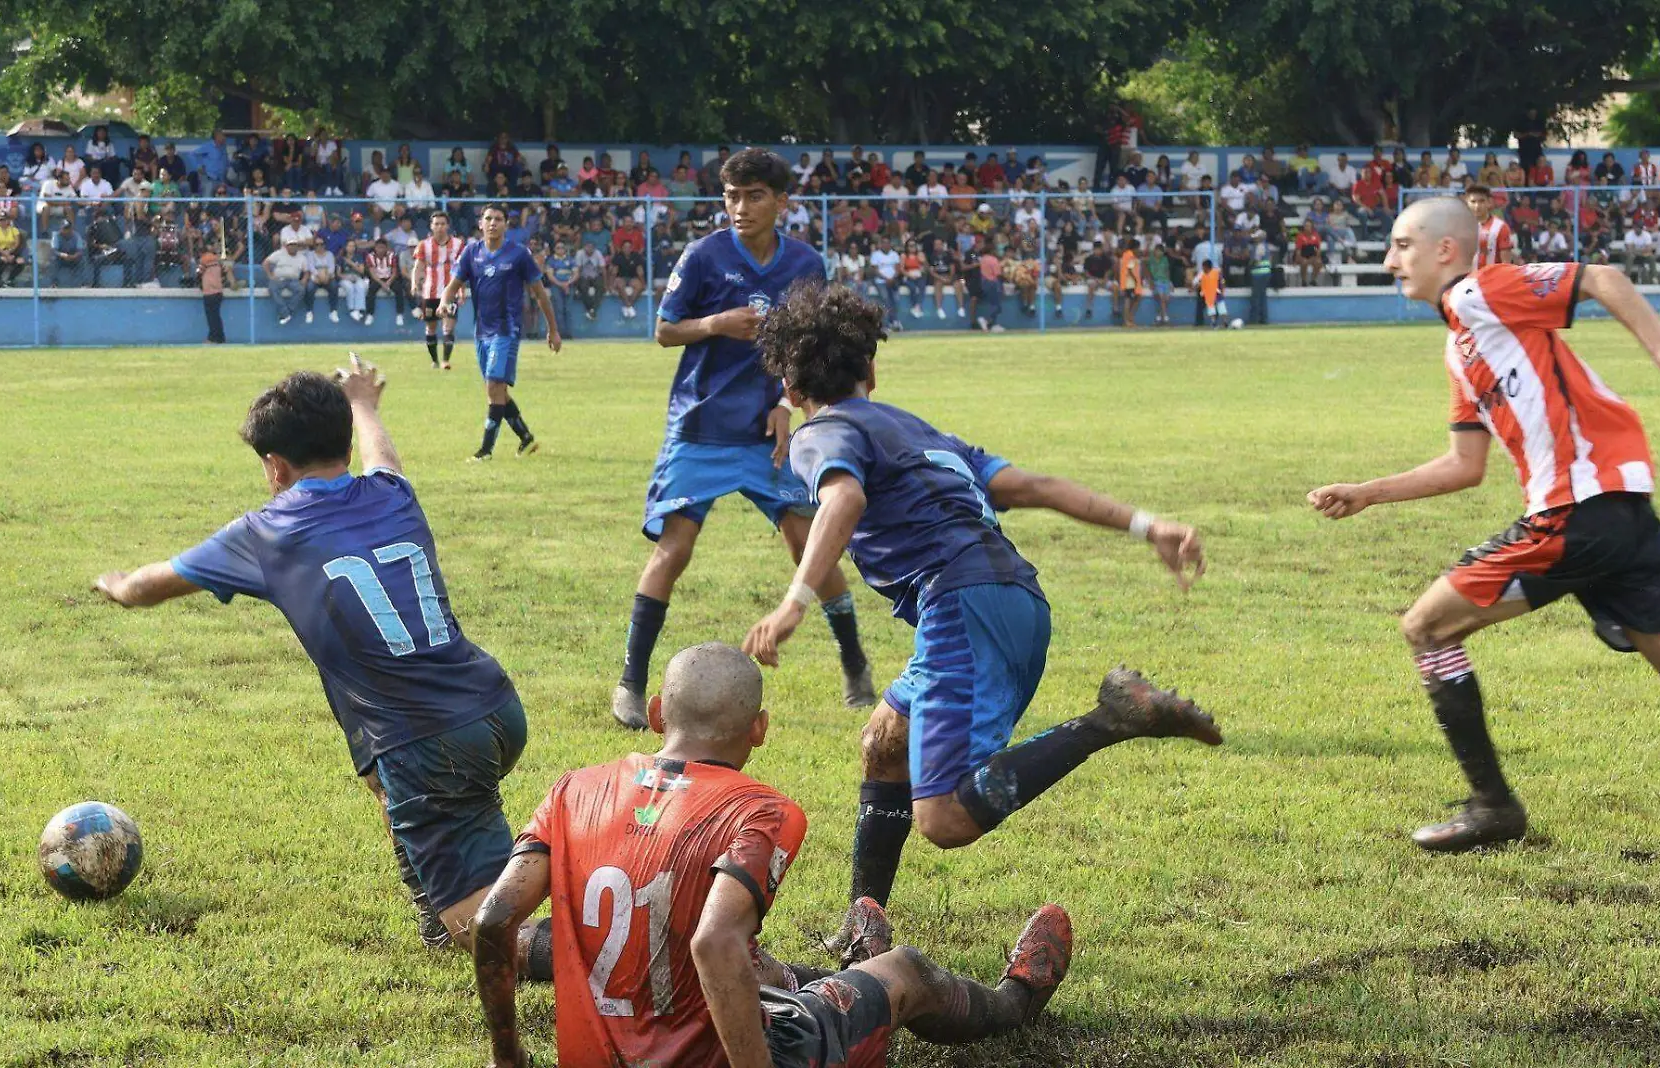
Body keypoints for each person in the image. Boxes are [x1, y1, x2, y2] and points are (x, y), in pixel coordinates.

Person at [1305, 196, 1660, 855]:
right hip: (1619, 515)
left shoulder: (1481, 290)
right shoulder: (1461, 348)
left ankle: (1493, 806)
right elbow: (1463, 464)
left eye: (1401, 245)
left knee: (1425, 626)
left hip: (1577, 513)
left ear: (1445, 250)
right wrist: (1368, 493)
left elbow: (1601, 278)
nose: (1391, 260)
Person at [743, 282, 1221, 951]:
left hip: (962, 607)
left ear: (790, 391)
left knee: (942, 818)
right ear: (871, 371)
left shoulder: (820, 434)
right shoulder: (917, 431)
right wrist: (1149, 525)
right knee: (884, 743)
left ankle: (1110, 719)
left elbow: (844, 496)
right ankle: (863, 928)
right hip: (1010, 597)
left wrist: (795, 602)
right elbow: (1036, 487)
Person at [92, 359, 554, 965]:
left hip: (431, 740)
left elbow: (155, 585)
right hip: (492, 704)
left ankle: (618, 947)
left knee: (488, 934)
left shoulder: (267, 530)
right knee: (377, 767)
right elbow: (382, 455)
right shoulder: (393, 492)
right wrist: (364, 402)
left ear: (275, 466)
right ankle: (442, 908)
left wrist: (121, 585)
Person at [472, 642, 1071, 1068]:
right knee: (908, 973)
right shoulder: (761, 811)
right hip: (736, 1052)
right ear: (759, 729)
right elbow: (715, 943)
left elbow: (495, 919)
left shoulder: (573, 789)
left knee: (754, 968)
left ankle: (855, 963)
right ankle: (1014, 999)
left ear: (656, 713)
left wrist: (508, 1054)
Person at [616, 147, 873, 729]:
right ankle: (630, 682)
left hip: (768, 432)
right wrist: (714, 325)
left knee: (807, 541)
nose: (740, 207)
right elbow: (663, 330)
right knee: (674, 548)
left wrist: (786, 404)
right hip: (701, 427)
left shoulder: (806, 263)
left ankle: (854, 661)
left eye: (754, 196)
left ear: (781, 202)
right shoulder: (704, 257)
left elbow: (811, 350)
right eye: (732, 196)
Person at [439, 204, 560, 461]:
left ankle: (485, 451)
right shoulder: (472, 252)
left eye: (498, 219)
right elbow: (452, 286)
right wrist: (443, 302)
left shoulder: (518, 254)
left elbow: (540, 294)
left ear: (506, 225)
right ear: (480, 224)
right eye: (488, 219)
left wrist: (553, 330)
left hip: (507, 331)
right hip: (481, 331)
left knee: (494, 386)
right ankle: (526, 438)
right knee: (498, 392)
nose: (493, 223)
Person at [412, 210, 466, 370]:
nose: (440, 227)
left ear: (448, 226)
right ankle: (434, 360)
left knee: (448, 326)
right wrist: (414, 283)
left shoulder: (457, 244)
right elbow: (418, 266)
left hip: (450, 291)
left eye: (443, 224)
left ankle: (445, 360)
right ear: (431, 226)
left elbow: (462, 269)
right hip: (430, 292)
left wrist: (462, 291)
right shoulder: (424, 245)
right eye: (436, 224)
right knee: (431, 327)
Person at [1466, 185, 1518, 268]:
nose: (1477, 206)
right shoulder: (1461, 227)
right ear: (1467, 203)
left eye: (1481, 201)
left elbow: (1506, 264)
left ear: (1489, 202)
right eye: (1473, 201)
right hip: (1468, 279)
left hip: (1491, 279)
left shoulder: (1500, 227)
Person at [198, 244, 233, 343]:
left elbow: (199, 272)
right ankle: (220, 337)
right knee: (216, 316)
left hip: (209, 291)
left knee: (211, 317)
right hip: (218, 291)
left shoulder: (204, 260)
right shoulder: (217, 260)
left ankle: (212, 338)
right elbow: (224, 271)